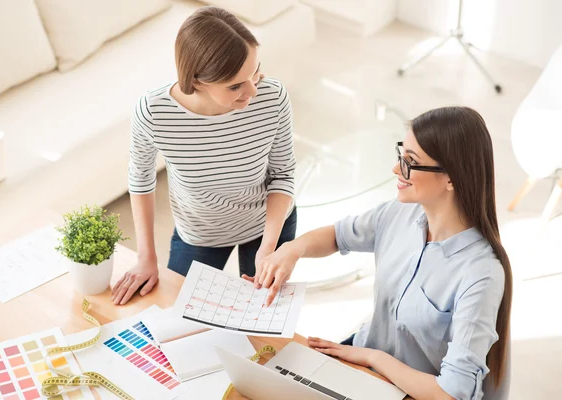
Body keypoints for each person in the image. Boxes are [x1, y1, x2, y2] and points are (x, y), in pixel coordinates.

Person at [250, 107, 512, 399]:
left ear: (452, 178)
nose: (397, 170)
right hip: (360, 363)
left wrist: (374, 358)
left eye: (411, 162)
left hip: (405, 388)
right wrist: (291, 250)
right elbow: (338, 236)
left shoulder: (481, 273)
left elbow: (452, 393)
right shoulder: (401, 212)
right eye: (402, 155)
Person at [111, 6, 296, 306]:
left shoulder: (272, 97)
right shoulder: (155, 113)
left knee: (260, 323)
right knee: (178, 315)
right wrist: (146, 256)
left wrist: (269, 247)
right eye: (235, 85)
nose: (253, 91)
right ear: (196, 81)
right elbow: (141, 179)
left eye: (255, 72)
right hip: (199, 232)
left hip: (268, 227)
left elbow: (283, 174)